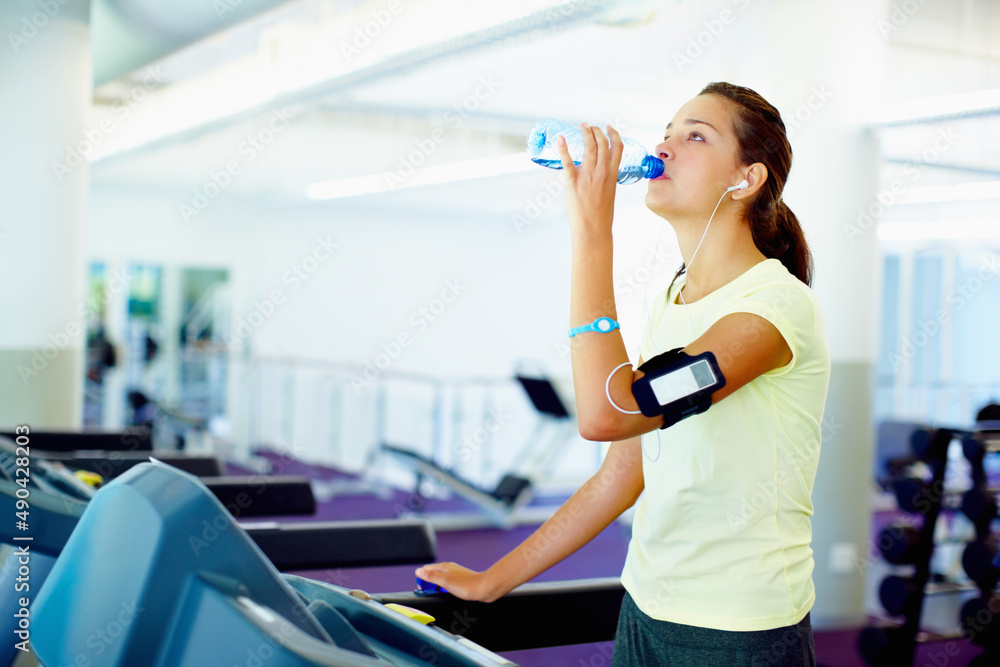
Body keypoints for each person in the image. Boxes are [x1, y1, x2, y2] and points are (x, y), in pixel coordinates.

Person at [416, 82, 831, 666]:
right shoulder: (672, 298)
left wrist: (591, 233)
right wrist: (493, 579)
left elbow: (609, 412)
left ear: (746, 179)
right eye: (665, 133)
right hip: (645, 606)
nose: (663, 147)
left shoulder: (772, 308)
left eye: (694, 136)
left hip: (739, 627)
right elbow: (622, 472)